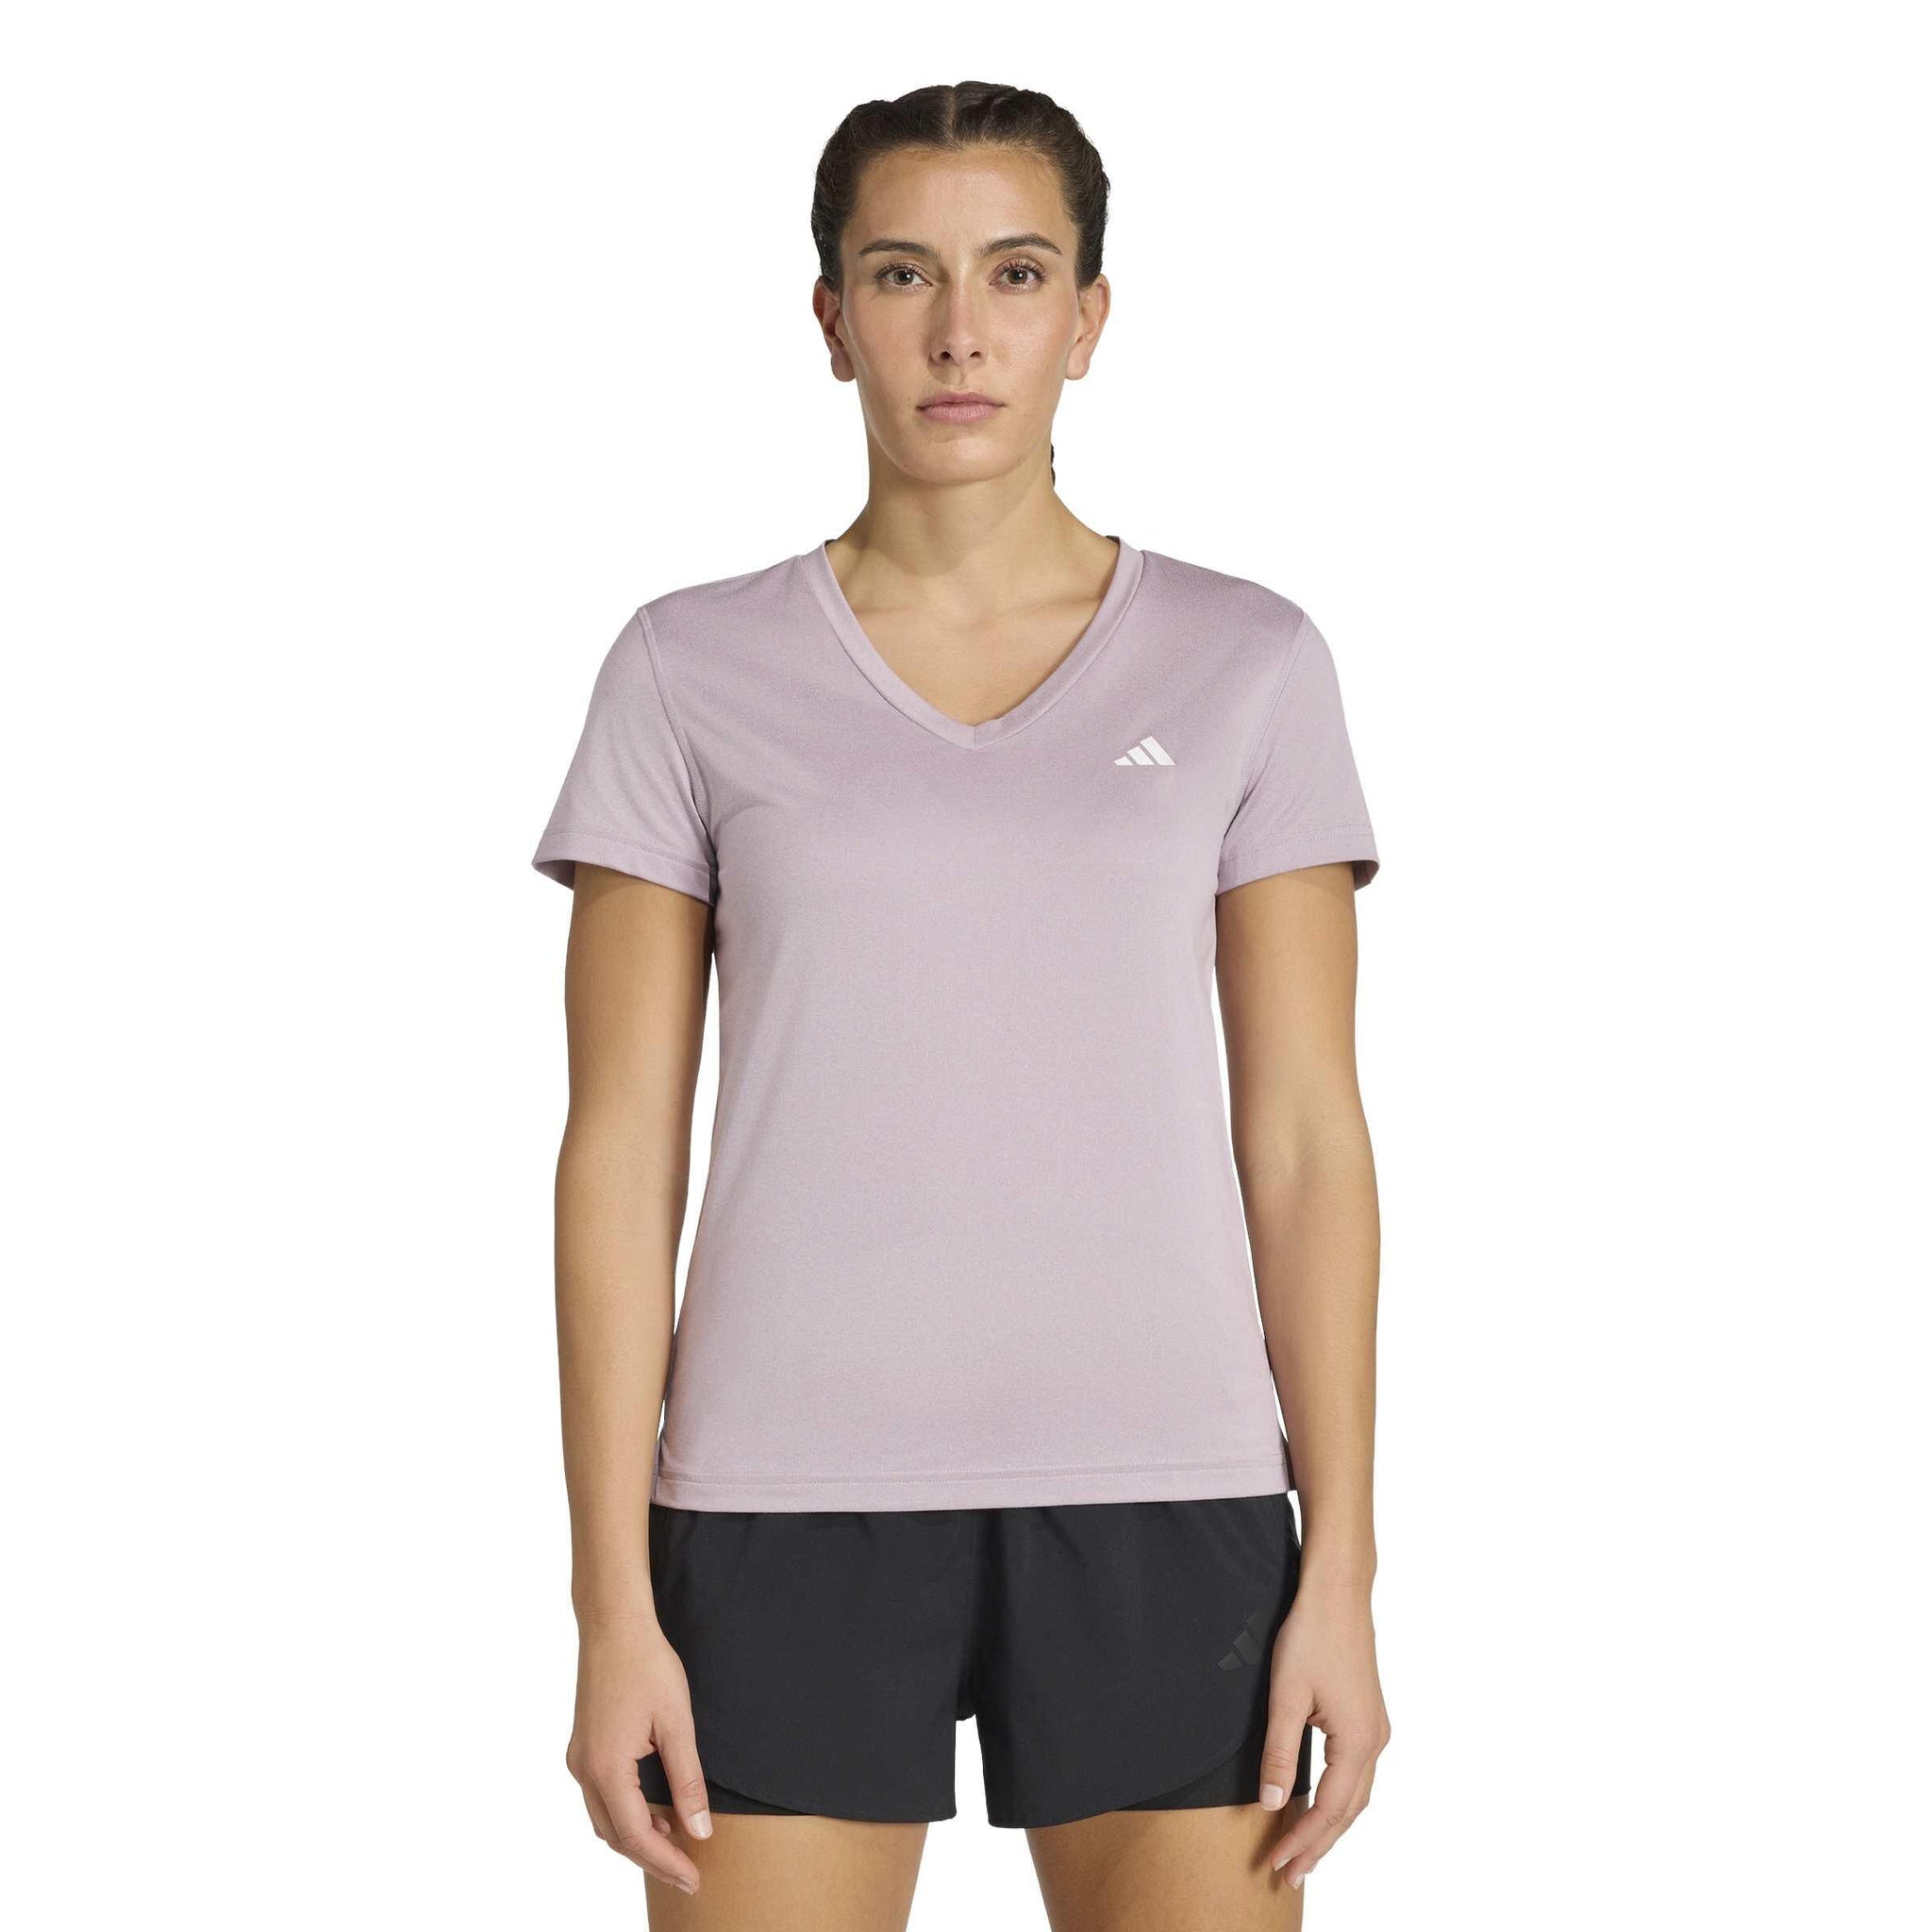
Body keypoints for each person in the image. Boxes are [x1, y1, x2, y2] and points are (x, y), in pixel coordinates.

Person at [530, 79, 1391, 1930]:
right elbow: (617, 1154)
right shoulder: (686, 669)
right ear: (830, 315)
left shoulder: (1247, 662)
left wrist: (1344, 1569)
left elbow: (1308, 1139)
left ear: (1088, 316)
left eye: (1014, 272)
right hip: (774, 1500)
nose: (958, 331)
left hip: (1169, 1492)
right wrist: (611, 1605)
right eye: (901, 273)